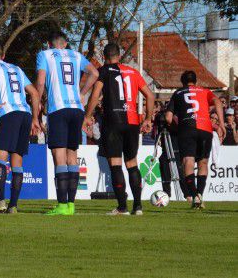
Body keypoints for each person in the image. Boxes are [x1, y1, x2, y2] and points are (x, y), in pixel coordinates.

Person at [83, 42, 155, 216]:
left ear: (104, 57)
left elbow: (94, 95)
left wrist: (87, 116)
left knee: (115, 164)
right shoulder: (133, 72)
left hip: (113, 122)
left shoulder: (104, 72)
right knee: (132, 163)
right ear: (119, 56)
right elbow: (150, 96)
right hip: (131, 123)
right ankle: (137, 207)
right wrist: (147, 118)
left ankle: (122, 207)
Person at [32, 31, 99, 215]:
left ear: (49, 44)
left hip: (58, 109)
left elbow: (40, 81)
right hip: (76, 108)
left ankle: (62, 204)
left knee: (58, 155)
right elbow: (94, 73)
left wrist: (37, 108)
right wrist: (81, 92)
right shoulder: (77, 55)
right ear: (66, 43)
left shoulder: (44, 54)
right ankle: (70, 204)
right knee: (72, 156)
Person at [0, 42, 41, 214]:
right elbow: (35, 93)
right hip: (25, 114)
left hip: (8, 112)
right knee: (17, 160)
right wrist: (35, 119)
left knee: (0, 156)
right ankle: (13, 206)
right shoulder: (17, 69)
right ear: (4, 55)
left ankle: (0, 201)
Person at [165, 70, 225, 209]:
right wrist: (221, 124)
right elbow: (217, 101)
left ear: (182, 82)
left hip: (187, 128)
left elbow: (168, 117)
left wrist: (177, 127)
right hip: (205, 128)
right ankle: (200, 194)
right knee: (203, 162)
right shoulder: (204, 91)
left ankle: (195, 196)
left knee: (188, 161)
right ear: (196, 81)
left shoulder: (178, 93)